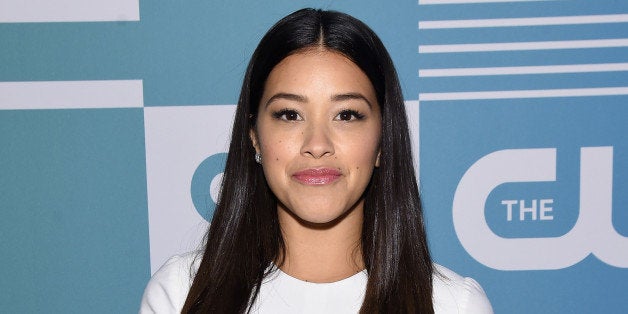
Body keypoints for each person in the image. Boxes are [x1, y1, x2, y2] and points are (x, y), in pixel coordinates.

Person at [140, 8, 493, 314]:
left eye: (347, 115)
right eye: (290, 115)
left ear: (384, 139)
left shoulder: (452, 305)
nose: (317, 144)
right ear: (253, 136)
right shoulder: (182, 294)